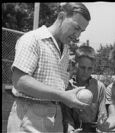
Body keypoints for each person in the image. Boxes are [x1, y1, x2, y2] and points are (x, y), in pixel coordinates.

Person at [7, 3, 91, 133]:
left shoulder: (66, 49)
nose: (78, 36)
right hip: (29, 116)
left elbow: (55, 84)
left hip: (56, 115)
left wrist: (70, 93)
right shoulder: (33, 39)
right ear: (61, 17)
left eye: (81, 31)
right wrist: (62, 95)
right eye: (76, 28)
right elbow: (20, 81)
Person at [61, 45, 107, 133]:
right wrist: (70, 130)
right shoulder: (68, 87)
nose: (86, 72)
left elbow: (102, 112)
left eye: (90, 68)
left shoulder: (99, 87)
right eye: (82, 67)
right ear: (75, 65)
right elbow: (67, 117)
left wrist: (102, 123)